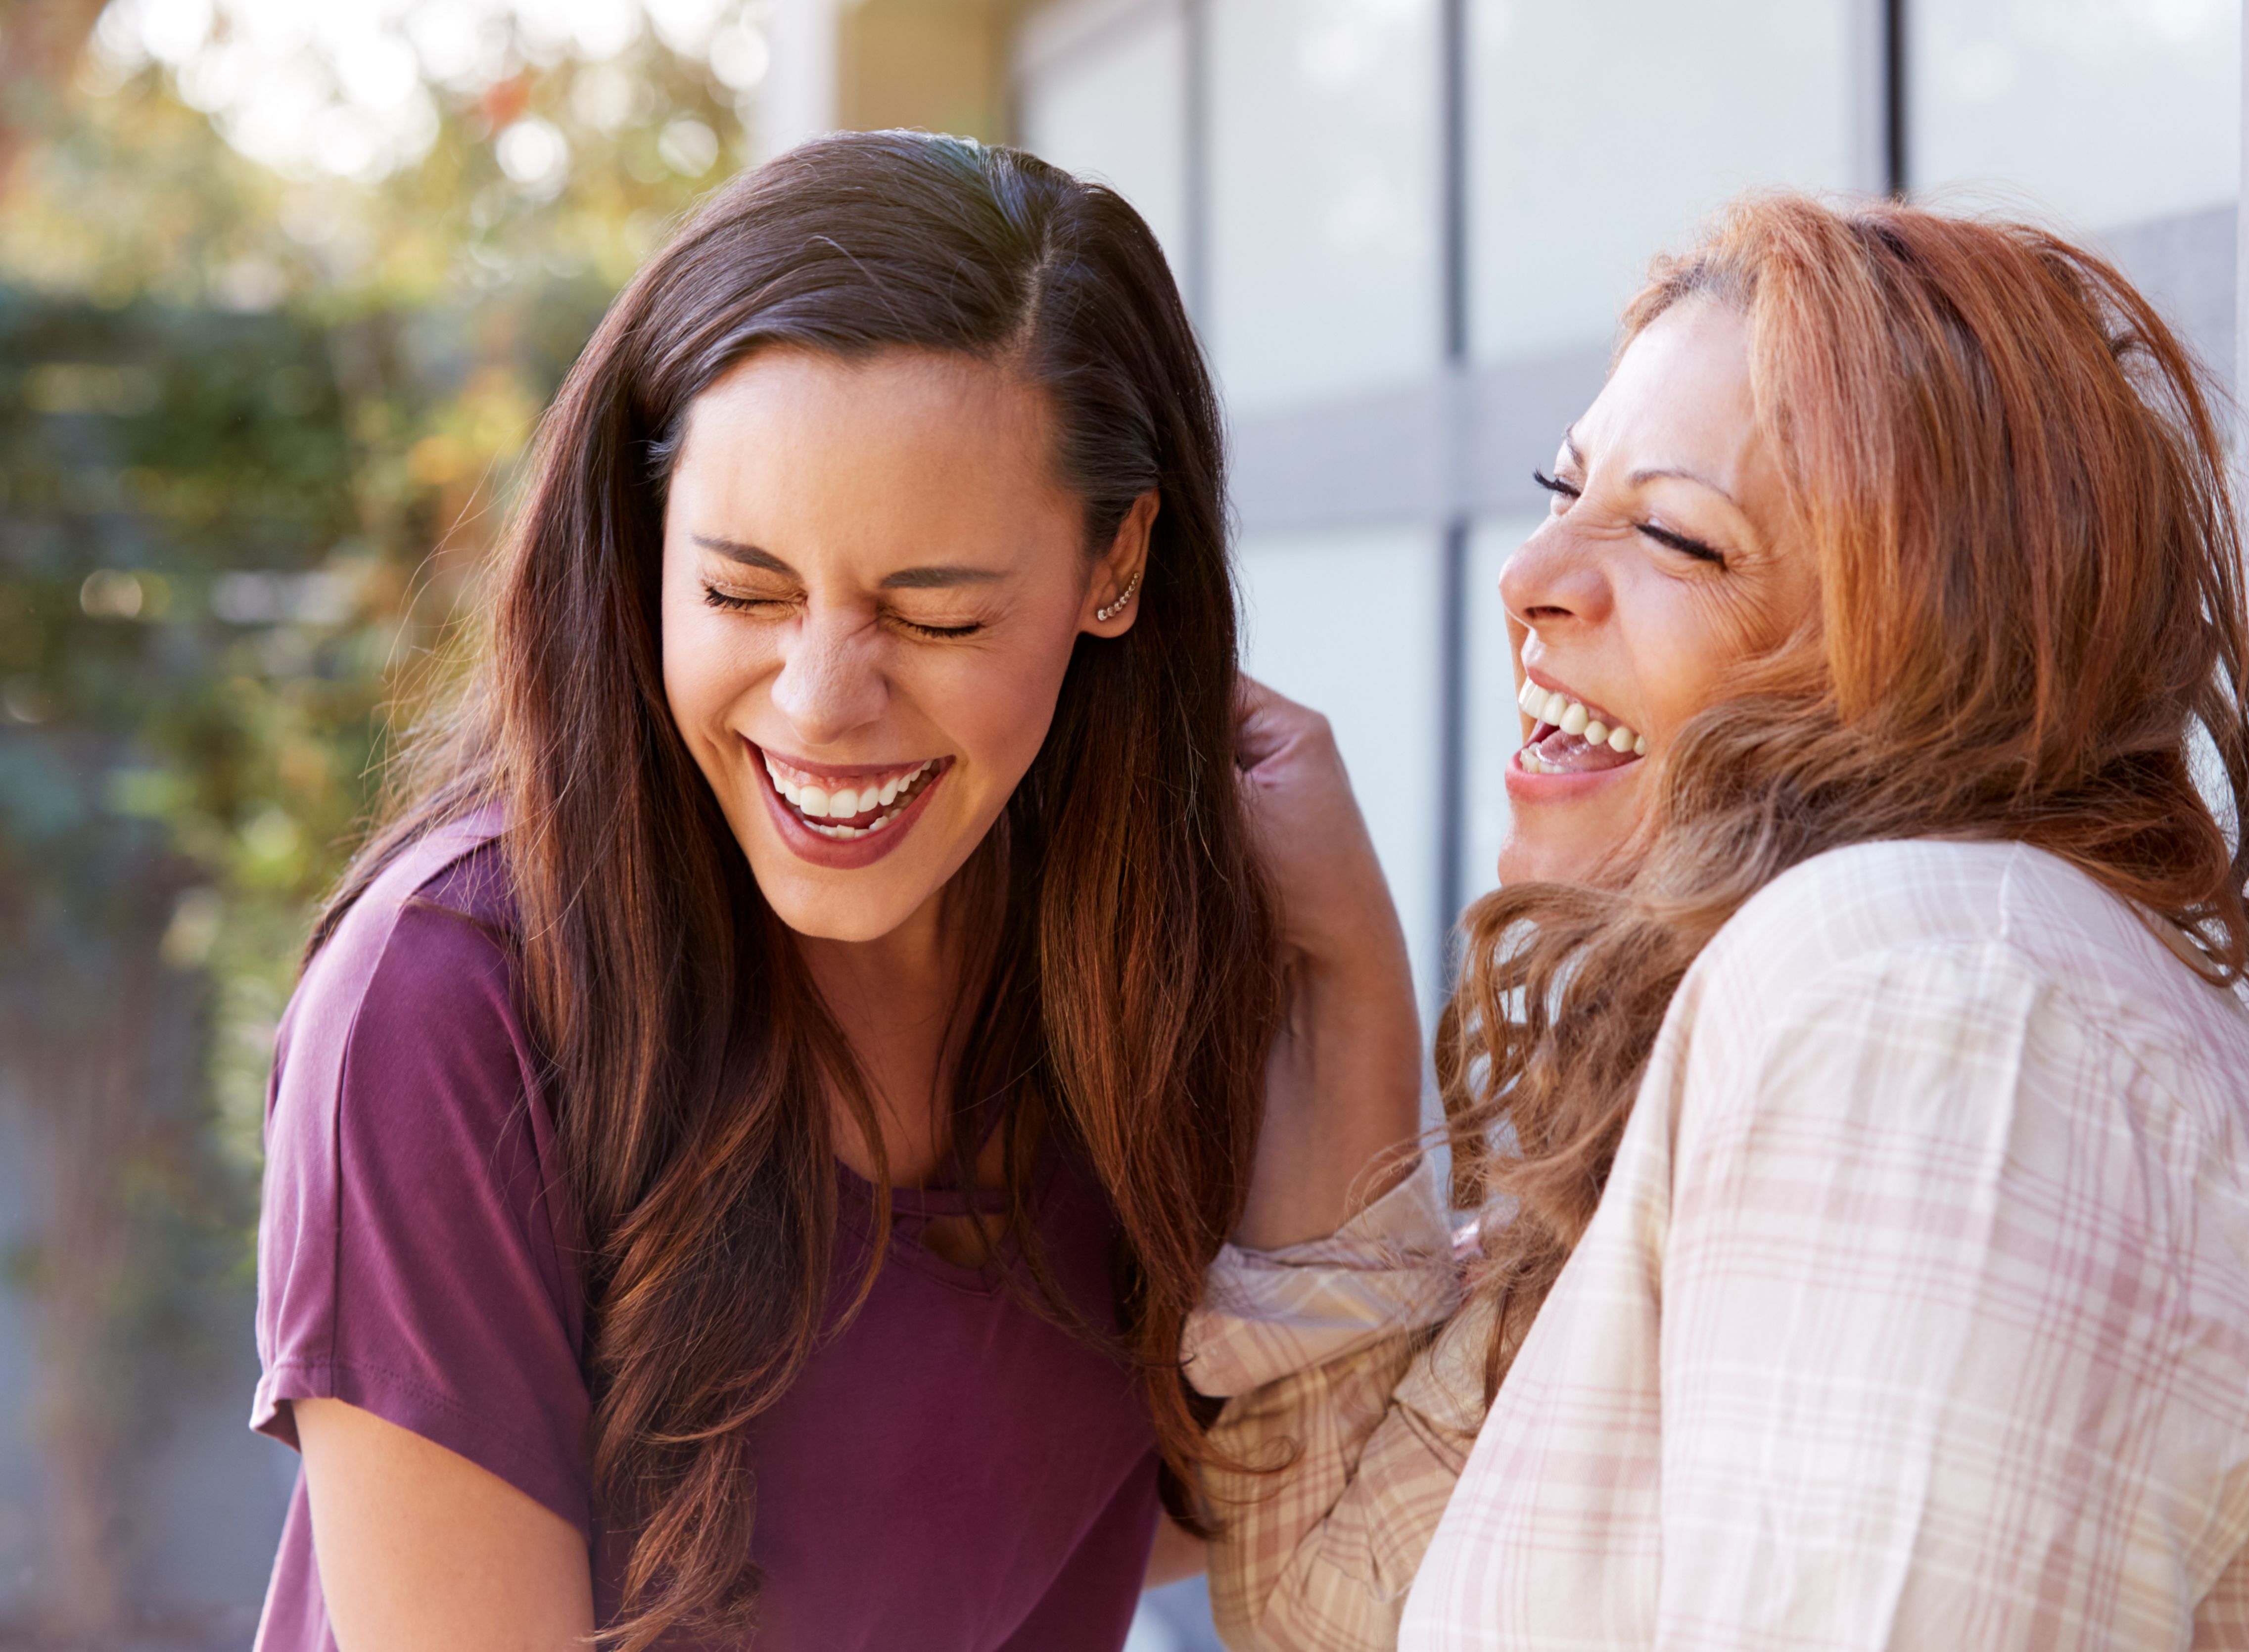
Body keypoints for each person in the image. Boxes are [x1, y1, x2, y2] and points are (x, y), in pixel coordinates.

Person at [1195, 194, 2249, 1650]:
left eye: (1678, 535)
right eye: (1564, 488)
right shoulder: (1823, 1007)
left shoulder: (1942, 1001)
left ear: (1937, 650)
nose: (1526, 580)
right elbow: (1334, 1607)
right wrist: (1343, 968)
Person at [248, 132, 1438, 1651]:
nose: (817, 703)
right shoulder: (446, 1007)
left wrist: (1342, 964)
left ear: (1116, 564)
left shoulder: (1131, 959)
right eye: (741, 591)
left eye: (934, 613)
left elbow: (1248, 1510)